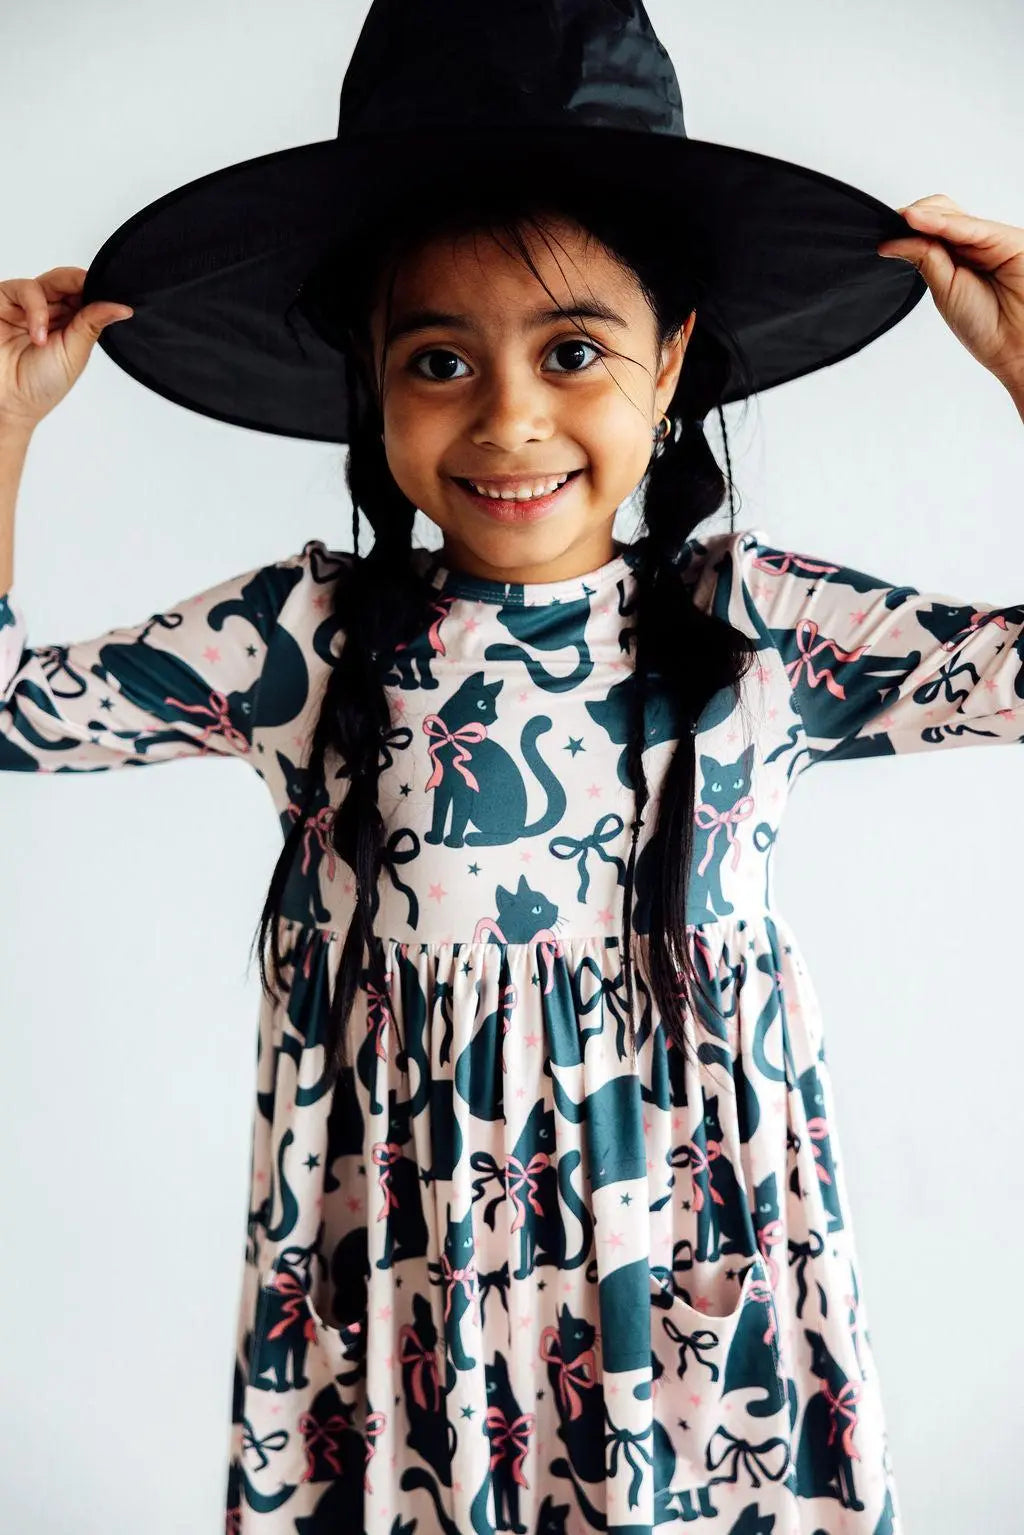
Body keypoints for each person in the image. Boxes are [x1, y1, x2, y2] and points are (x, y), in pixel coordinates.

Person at [3, 15, 1024, 1535]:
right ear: (371, 372)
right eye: (438, 358)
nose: (508, 419)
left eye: (572, 351)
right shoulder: (304, 640)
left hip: (702, 1308)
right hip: (413, 1317)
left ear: (670, 360)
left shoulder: (761, 632)